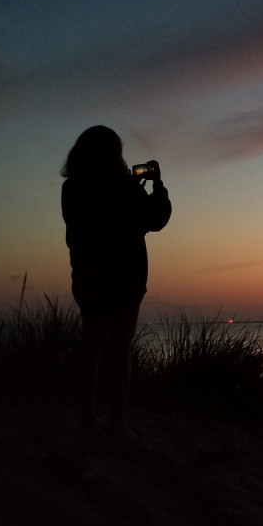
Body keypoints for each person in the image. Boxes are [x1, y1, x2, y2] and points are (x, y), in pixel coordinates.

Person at [61, 125, 171, 433]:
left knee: (91, 345)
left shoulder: (72, 188)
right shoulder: (123, 186)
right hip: (125, 277)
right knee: (120, 349)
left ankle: (87, 416)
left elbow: (85, 225)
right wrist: (157, 185)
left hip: (87, 277)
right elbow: (156, 218)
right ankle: (117, 419)